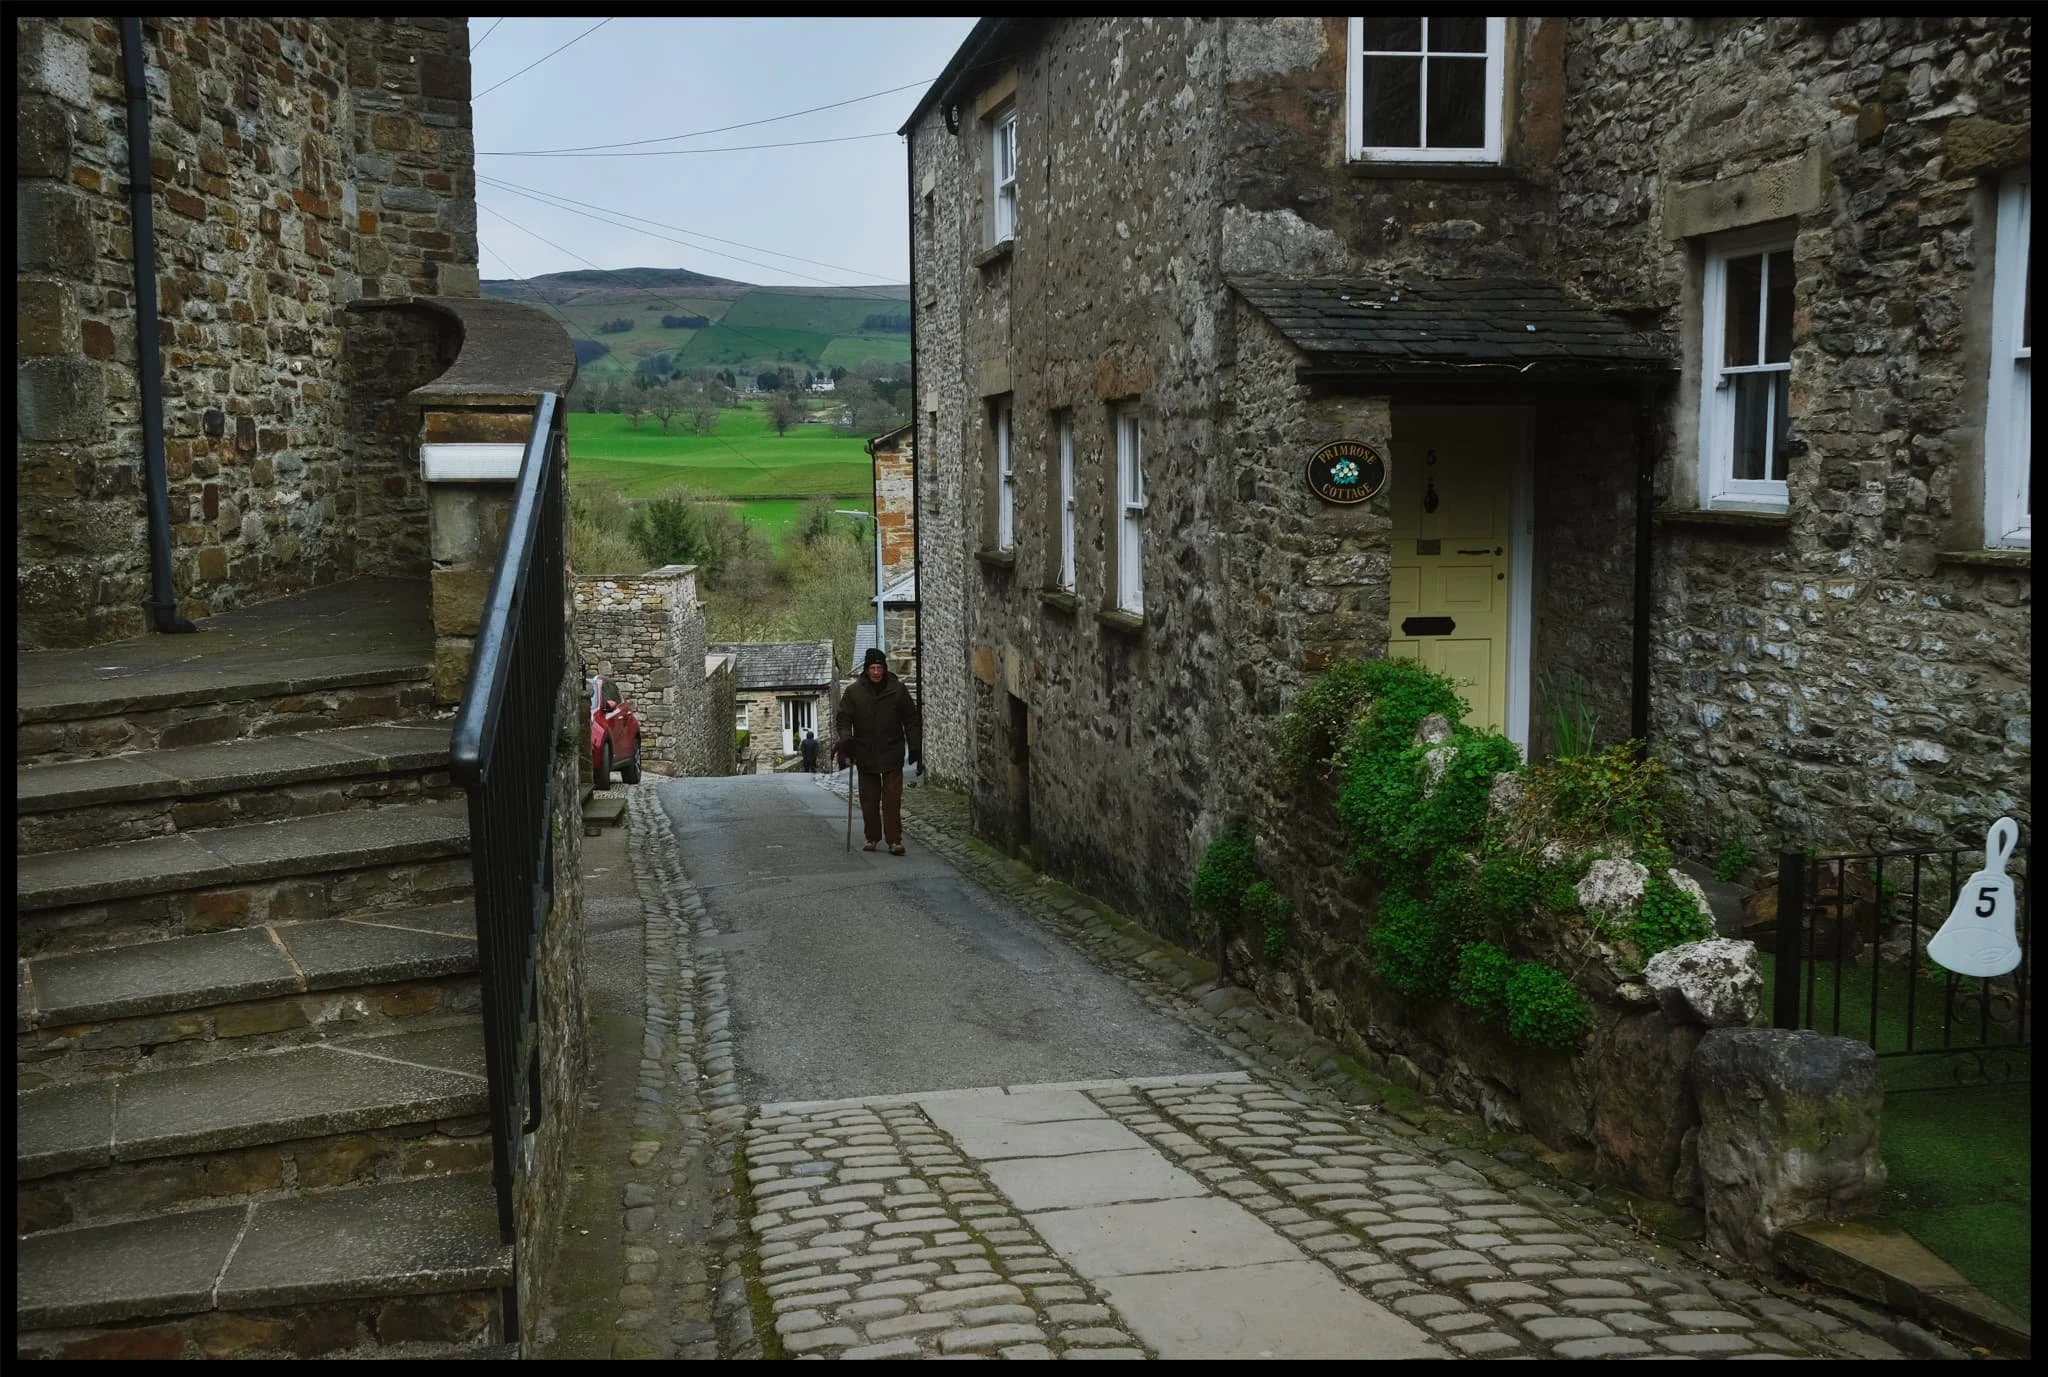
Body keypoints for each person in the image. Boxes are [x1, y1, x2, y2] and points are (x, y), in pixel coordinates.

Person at [835, 647, 923, 855]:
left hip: (892, 750)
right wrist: (846, 739)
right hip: (865, 751)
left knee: (892, 799)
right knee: (869, 799)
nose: (876, 672)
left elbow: (911, 719)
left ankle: (894, 840)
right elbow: (843, 718)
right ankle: (872, 837)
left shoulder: (897, 690)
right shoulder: (854, 692)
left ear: (884, 668)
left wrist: (915, 746)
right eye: (872, 668)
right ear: (866, 669)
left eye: (879, 668)